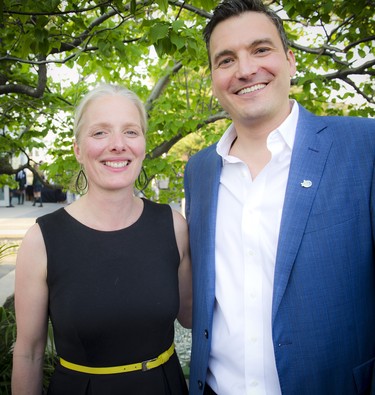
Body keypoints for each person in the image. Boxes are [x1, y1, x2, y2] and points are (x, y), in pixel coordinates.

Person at [184, 1, 375, 394]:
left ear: (290, 60)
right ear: (215, 78)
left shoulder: (364, 146)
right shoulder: (199, 171)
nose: (245, 69)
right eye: (226, 60)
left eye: (260, 49)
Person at [12, 84, 192, 395]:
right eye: (100, 133)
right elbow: (28, 353)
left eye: (131, 132)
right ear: (78, 150)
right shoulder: (42, 240)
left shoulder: (173, 226)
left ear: (144, 145)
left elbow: (193, 318)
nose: (118, 145)